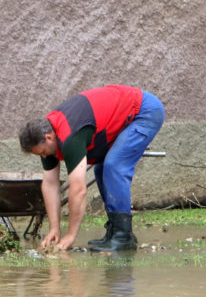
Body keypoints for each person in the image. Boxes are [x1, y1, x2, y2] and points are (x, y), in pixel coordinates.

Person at [19, 85, 164, 252]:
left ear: (49, 137)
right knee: (100, 169)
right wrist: (54, 228)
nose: (44, 157)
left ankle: (123, 237)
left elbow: (78, 189)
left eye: (43, 152)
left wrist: (71, 235)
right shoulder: (47, 136)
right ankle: (116, 232)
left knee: (114, 166)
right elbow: (50, 183)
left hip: (144, 112)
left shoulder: (69, 136)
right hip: (125, 115)